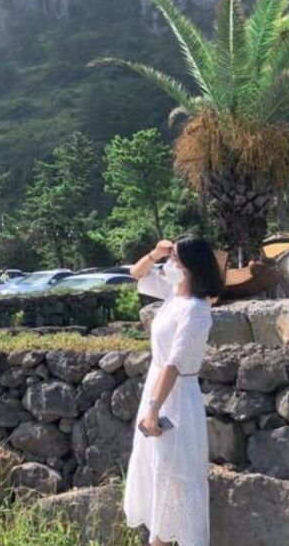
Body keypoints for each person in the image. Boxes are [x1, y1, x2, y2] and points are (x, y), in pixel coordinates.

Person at [124, 234, 223, 546]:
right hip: (158, 392)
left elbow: (175, 363)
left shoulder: (196, 308)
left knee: (174, 476)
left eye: (174, 258)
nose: (169, 262)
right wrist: (155, 253)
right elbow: (136, 274)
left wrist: (154, 409)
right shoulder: (174, 293)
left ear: (190, 266)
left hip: (175, 399)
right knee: (158, 472)